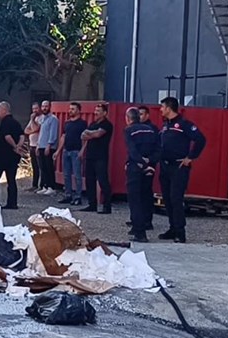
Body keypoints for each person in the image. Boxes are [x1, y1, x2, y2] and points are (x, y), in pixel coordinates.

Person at [158, 97, 207, 243]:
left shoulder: (184, 124)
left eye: (162, 107)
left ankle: (180, 231)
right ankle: (172, 228)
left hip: (178, 167)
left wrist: (191, 157)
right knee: (167, 198)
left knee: (176, 198)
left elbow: (200, 139)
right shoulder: (166, 125)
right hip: (165, 166)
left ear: (169, 108)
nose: (160, 110)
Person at [123, 107, 160, 242]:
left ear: (128, 118)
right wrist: (149, 161)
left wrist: (140, 161)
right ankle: (145, 222)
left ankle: (139, 232)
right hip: (149, 166)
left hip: (135, 167)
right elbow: (158, 149)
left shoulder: (128, 130)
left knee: (135, 199)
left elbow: (132, 150)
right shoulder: (151, 130)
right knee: (146, 195)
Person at [79, 102, 114, 214]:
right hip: (90, 155)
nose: (96, 113)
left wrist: (89, 133)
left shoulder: (107, 124)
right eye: (95, 111)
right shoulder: (93, 123)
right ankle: (92, 204)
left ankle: (107, 206)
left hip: (101, 157)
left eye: (98, 111)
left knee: (103, 181)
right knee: (90, 181)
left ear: (104, 113)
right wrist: (83, 150)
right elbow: (84, 137)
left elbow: (97, 134)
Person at [0, 102, 25, 210]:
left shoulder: (5, 122)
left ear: (5, 110)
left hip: (2, 156)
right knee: (11, 180)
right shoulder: (16, 122)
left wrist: (14, 146)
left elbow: (7, 137)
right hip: (13, 157)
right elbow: (22, 135)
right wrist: (19, 146)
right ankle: (12, 203)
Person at [56, 102, 87, 206]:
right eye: (70, 109)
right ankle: (68, 195)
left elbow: (85, 138)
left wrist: (82, 150)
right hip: (66, 151)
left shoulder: (82, 123)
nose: (70, 111)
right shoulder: (67, 123)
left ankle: (78, 196)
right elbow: (63, 137)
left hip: (76, 151)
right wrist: (58, 151)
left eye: (73, 109)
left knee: (77, 175)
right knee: (66, 175)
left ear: (78, 110)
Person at [35, 100, 60, 195]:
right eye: (43, 106)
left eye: (46, 106)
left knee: (49, 167)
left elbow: (53, 134)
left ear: (50, 107)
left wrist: (49, 145)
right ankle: (45, 186)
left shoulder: (53, 119)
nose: (44, 108)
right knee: (43, 167)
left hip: (48, 147)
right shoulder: (42, 119)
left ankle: (51, 187)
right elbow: (41, 133)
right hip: (41, 145)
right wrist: (38, 145)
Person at [23, 102, 45, 192]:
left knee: (41, 166)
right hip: (32, 145)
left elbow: (36, 128)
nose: (34, 111)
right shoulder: (34, 118)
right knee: (34, 166)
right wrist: (33, 131)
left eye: (36, 108)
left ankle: (42, 185)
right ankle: (34, 185)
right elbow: (26, 130)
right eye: (33, 109)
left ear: (40, 108)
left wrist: (32, 120)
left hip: (38, 146)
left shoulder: (41, 118)